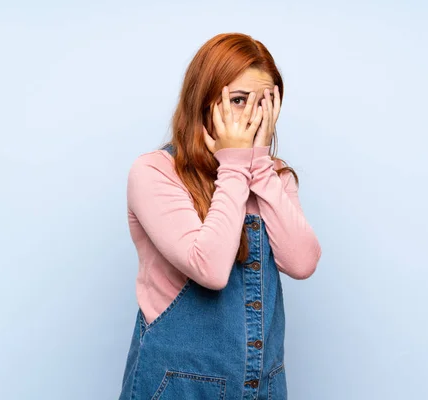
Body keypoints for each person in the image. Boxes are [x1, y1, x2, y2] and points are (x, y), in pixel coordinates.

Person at [118, 32, 321, 400]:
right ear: (204, 101)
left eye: (266, 103)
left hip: (260, 387)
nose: (252, 118)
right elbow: (210, 270)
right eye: (239, 100)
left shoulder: (274, 177)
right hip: (178, 386)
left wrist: (258, 168)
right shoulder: (154, 172)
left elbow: (303, 261)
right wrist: (234, 167)